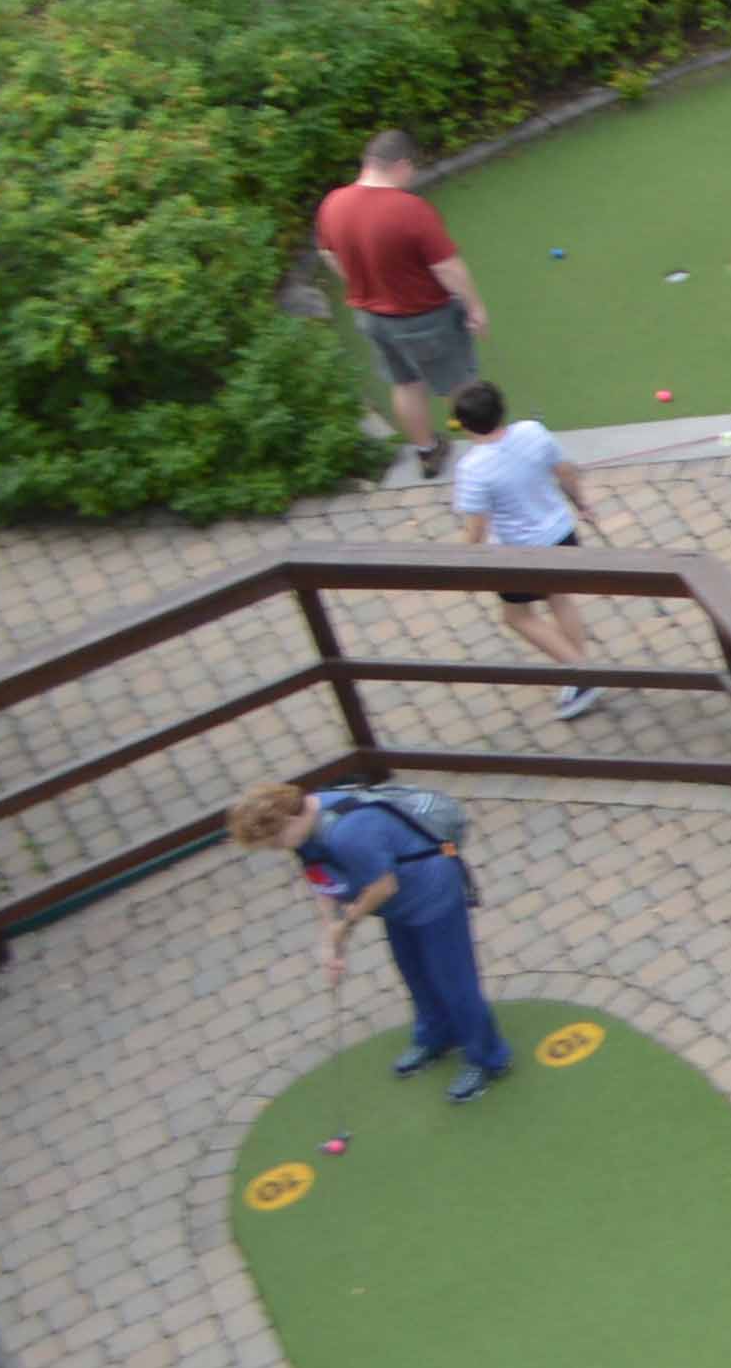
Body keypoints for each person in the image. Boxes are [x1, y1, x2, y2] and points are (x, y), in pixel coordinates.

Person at [234, 776, 506, 1099]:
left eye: (276, 842)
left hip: (432, 895)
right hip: (400, 907)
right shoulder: (303, 828)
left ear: (287, 819)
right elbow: (321, 880)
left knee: (453, 981)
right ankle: (438, 1034)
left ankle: (487, 1058)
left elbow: (382, 887)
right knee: (414, 972)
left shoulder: (350, 833)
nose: (278, 849)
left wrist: (345, 924)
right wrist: (331, 940)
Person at [314, 131, 486, 476]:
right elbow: (447, 267)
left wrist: (360, 283)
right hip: (425, 317)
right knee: (460, 385)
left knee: (405, 383)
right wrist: (475, 307)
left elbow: (326, 252)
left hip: (372, 316)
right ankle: (488, 451)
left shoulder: (333, 203)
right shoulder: (410, 210)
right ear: (402, 165)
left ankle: (427, 451)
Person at [442, 384, 612, 724]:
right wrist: (581, 504)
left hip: (519, 555)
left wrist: (460, 562)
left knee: (516, 616)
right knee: (560, 599)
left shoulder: (473, 469)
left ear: (464, 425)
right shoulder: (533, 432)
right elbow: (564, 471)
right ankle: (578, 674)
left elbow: (476, 529)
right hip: (562, 534)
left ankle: (582, 672)